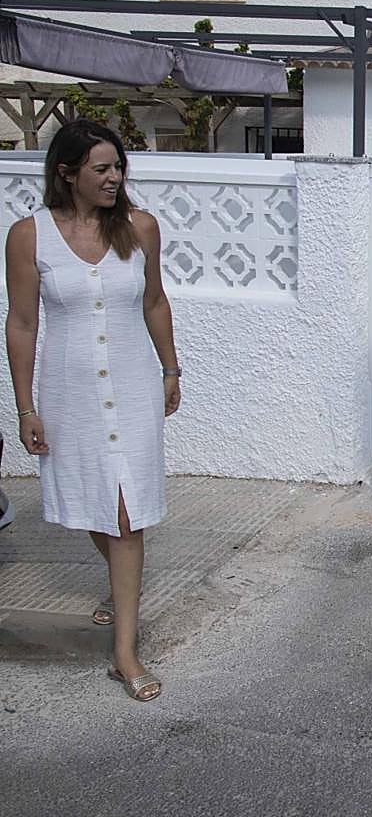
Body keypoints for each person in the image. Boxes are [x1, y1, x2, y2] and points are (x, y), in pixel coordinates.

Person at [5, 120, 181, 701]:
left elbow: (154, 301)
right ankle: (123, 584)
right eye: (101, 168)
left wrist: (171, 369)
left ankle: (124, 652)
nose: (114, 178)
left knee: (126, 514)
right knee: (90, 502)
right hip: (69, 391)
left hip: (131, 386)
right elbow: (22, 324)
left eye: (118, 167)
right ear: (67, 173)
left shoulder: (140, 227)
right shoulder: (28, 237)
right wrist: (25, 407)